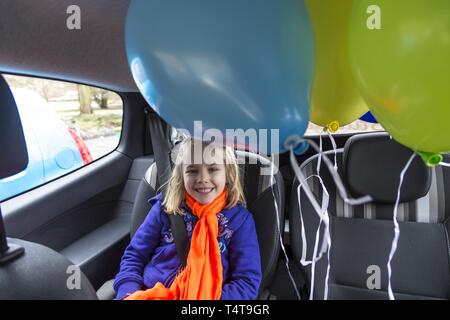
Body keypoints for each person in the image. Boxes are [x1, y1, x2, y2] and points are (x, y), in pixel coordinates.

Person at [113, 138, 262, 300]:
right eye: (192, 170)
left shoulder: (239, 220)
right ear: (181, 175)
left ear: (228, 174)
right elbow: (135, 256)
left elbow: (246, 281)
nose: (203, 179)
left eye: (213, 169)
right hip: (149, 293)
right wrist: (128, 292)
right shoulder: (166, 208)